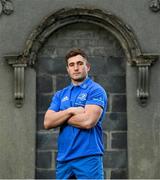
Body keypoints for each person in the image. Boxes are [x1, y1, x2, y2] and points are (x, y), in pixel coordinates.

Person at [44, 48, 107, 179]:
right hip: (64, 159)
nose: (76, 68)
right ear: (68, 69)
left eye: (80, 63)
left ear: (87, 67)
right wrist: (70, 111)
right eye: (72, 65)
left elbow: (88, 122)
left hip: (88, 157)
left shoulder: (95, 90)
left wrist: (60, 116)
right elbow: (48, 122)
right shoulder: (60, 95)